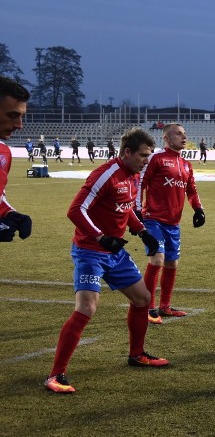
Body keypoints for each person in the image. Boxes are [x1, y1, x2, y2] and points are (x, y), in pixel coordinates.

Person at [44, 128, 167, 394]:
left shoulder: (133, 176)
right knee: (86, 309)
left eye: (149, 155)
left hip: (115, 252)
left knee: (143, 300)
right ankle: (55, 375)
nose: (146, 160)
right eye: (143, 155)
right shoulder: (105, 174)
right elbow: (76, 210)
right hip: (90, 251)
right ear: (126, 152)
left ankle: (137, 355)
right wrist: (100, 238)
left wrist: (142, 231)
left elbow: (125, 209)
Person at [136, 123, 205, 325]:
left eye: (184, 134)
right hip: (153, 219)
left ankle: (165, 306)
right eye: (179, 134)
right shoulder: (156, 159)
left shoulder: (186, 164)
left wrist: (198, 209)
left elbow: (191, 190)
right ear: (167, 138)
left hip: (173, 223)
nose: (184, 137)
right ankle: (149, 308)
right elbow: (141, 182)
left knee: (171, 263)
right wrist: (137, 210)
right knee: (157, 260)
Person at [0, 77, 33, 243]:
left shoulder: (4, 152)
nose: (20, 125)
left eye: (21, 116)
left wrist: (9, 213)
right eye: (12, 115)